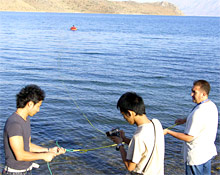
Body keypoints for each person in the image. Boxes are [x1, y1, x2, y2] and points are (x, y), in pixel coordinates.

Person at [3, 84, 66, 175]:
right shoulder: (14, 124)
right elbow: (20, 155)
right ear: (30, 104)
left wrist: (48, 150)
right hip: (15, 172)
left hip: (27, 170)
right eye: (38, 106)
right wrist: (43, 156)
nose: (38, 110)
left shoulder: (25, 120)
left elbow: (28, 145)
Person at [164, 80, 218, 175]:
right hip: (207, 153)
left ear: (203, 94)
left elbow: (188, 137)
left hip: (196, 157)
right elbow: (202, 121)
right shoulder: (211, 105)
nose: (191, 94)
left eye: (194, 92)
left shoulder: (198, 112)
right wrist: (185, 120)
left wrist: (169, 132)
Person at [109, 92, 164, 175]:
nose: (124, 118)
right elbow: (145, 147)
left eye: (123, 115)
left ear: (130, 113)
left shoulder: (138, 136)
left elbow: (130, 167)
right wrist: (124, 139)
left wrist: (120, 145)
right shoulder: (156, 123)